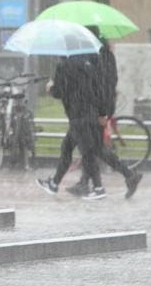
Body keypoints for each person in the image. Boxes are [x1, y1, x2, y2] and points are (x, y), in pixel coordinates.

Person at [65, 27, 143, 199]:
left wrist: (103, 112)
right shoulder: (100, 55)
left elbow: (104, 86)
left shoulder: (100, 57)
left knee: (95, 148)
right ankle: (86, 182)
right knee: (91, 148)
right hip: (94, 108)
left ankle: (127, 175)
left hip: (95, 109)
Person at [36, 53, 107, 200]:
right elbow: (97, 88)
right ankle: (54, 184)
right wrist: (101, 112)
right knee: (67, 148)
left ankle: (99, 189)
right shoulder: (87, 64)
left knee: (87, 153)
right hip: (89, 113)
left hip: (78, 116)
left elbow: (60, 92)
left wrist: (50, 88)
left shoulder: (63, 66)